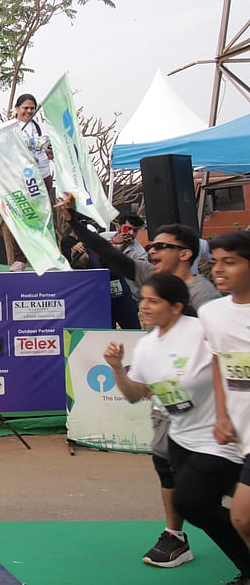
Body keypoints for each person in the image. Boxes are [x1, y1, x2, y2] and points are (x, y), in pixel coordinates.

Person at [60, 194, 221, 564]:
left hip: (207, 405)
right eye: (151, 244)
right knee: (166, 465)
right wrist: (74, 222)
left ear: (186, 253)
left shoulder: (204, 296)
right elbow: (113, 255)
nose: (152, 250)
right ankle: (175, 535)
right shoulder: (154, 277)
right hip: (169, 399)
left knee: (210, 484)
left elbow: (221, 348)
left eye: (162, 246)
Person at [104, 273, 249, 578]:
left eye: (153, 301)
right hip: (180, 440)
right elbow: (135, 395)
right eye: (142, 299)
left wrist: (226, 414)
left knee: (192, 502)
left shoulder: (202, 331)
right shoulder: (146, 346)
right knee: (206, 507)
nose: (143, 306)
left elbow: (230, 362)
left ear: (176, 307)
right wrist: (117, 369)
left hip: (220, 438)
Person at [209, 232, 250, 585]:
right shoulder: (212, 313)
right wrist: (222, 415)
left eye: (230, 262)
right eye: (215, 262)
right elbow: (218, 365)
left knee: (241, 517)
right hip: (240, 436)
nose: (219, 271)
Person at [2, 94, 54, 271]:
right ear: (17, 108)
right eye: (25, 108)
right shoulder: (8, 128)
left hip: (42, 176)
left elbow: (49, 149)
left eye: (32, 108)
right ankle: (20, 259)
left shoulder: (41, 128)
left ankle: (47, 256)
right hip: (20, 177)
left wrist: (51, 152)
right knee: (22, 217)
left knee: (44, 216)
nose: (28, 111)